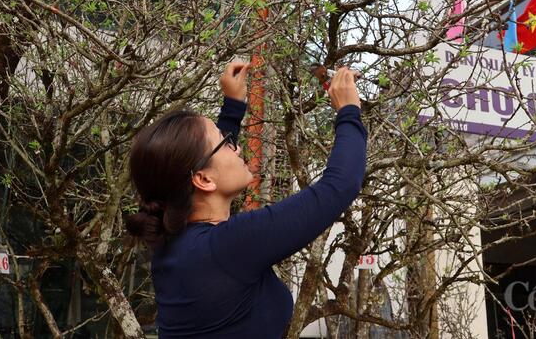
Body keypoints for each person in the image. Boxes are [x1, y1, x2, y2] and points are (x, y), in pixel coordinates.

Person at [125, 62, 367, 338]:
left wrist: (233, 105)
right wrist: (348, 111)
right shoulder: (229, 247)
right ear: (203, 180)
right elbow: (340, 185)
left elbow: (202, 162)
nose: (237, 145)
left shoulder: (173, 244)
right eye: (225, 142)